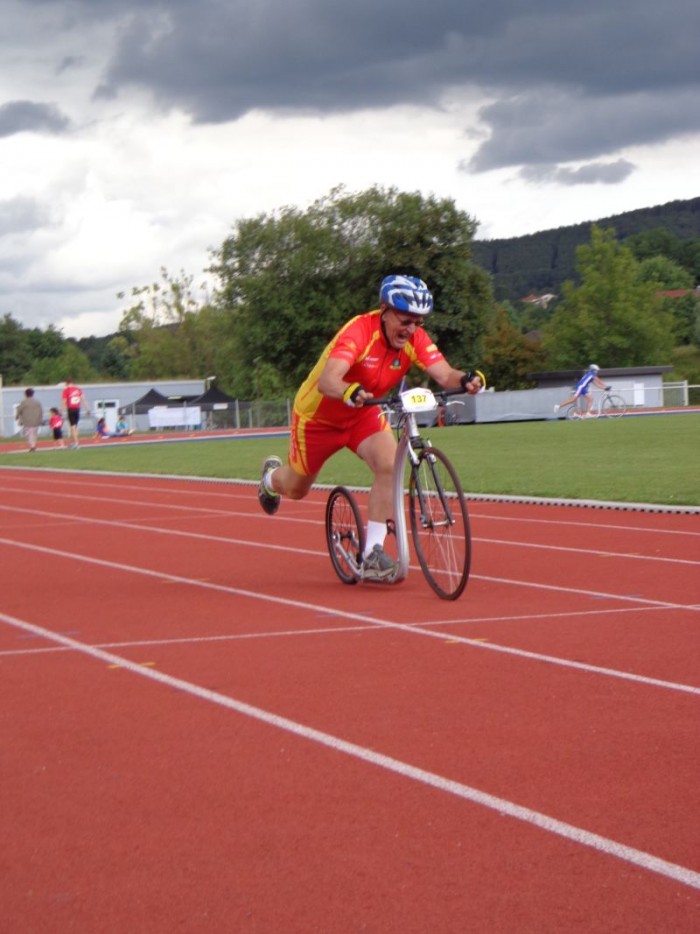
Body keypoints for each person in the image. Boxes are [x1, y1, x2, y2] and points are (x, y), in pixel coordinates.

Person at [257, 274, 484, 581]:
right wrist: (348, 390)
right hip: (318, 419)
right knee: (297, 488)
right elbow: (328, 380)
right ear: (384, 310)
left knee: (390, 464)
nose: (411, 329)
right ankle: (270, 478)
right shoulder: (359, 332)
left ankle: (372, 553)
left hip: (362, 413)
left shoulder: (414, 338)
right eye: (405, 320)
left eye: (418, 322)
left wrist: (466, 379)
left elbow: (444, 374)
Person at [61, 378, 90, 448]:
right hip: (77, 409)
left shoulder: (66, 390)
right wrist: (88, 409)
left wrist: (61, 411)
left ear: (66, 383)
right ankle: (73, 442)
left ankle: (76, 443)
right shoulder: (78, 390)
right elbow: (83, 399)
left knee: (73, 426)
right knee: (74, 426)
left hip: (71, 409)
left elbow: (64, 401)